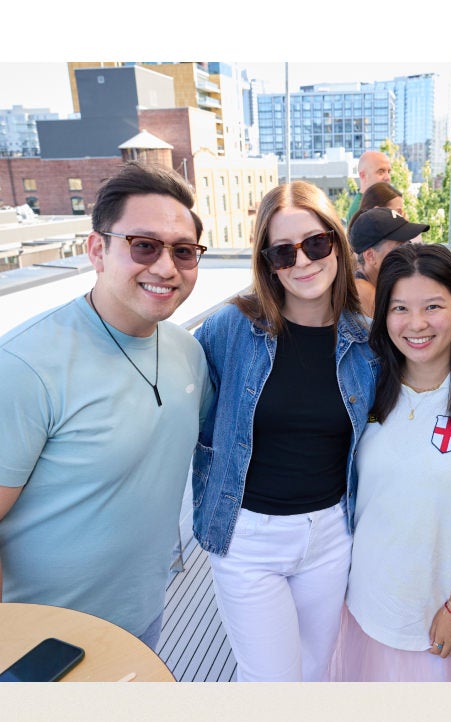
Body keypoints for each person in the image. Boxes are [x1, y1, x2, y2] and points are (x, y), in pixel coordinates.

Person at [0, 163, 211, 649]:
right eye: (144, 245)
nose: (165, 267)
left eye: (183, 252)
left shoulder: (188, 353)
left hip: (143, 619)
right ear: (97, 249)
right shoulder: (25, 366)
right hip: (39, 644)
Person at [193, 182, 380, 681]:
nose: (303, 262)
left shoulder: (365, 341)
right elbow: (176, 393)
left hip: (330, 534)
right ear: (267, 262)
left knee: (316, 672)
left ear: (337, 244)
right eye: (283, 251)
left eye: (316, 243)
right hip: (248, 537)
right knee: (272, 683)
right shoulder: (231, 327)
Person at [329, 243, 451, 681]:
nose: (416, 324)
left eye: (433, 306)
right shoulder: (368, 383)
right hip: (365, 600)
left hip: (440, 610)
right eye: (399, 308)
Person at [350, 207, 431, 320]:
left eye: (408, 244)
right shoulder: (362, 291)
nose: (408, 252)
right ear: (370, 256)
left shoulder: (380, 284)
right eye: (400, 247)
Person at [345, 149, 393, 222]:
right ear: (363, 175)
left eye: (388, 172)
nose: (388, 177)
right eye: (381, 172)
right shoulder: (362, 210)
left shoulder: (375, 203)